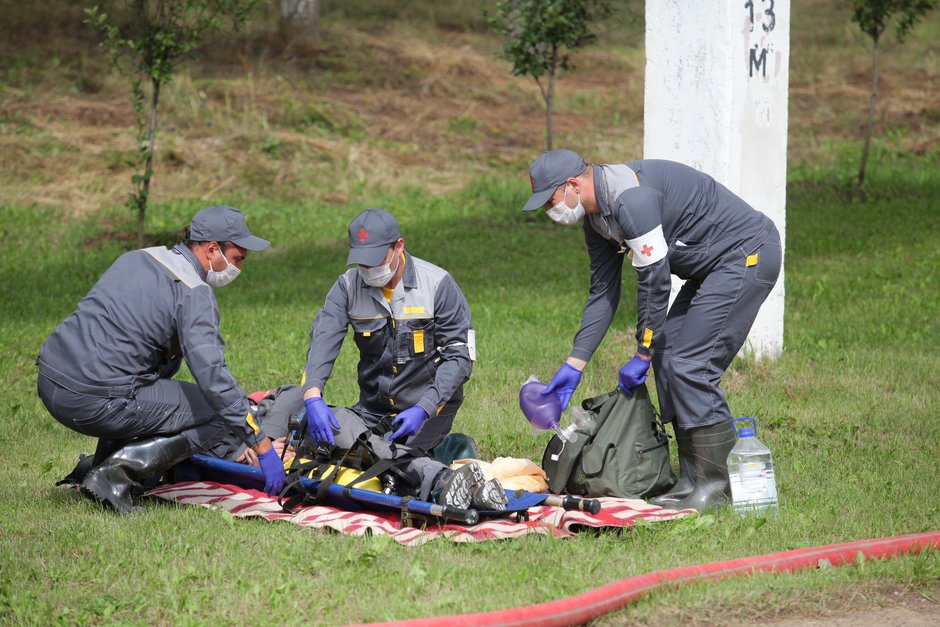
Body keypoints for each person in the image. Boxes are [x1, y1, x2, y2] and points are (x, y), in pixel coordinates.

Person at [521, 150, 782, 511]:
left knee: (691, 364)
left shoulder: (631, 201)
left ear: (573, 185)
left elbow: (655, 280)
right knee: (670, 355)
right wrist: (574, 365)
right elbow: (603, 294)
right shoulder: (598, 221)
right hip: (713, 266)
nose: (551, 212)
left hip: (746, 254)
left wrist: (642, 351)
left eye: (550, 200)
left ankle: (717, 487)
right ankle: (692, 478)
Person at [37, 205, 286, 513]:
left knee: (149, 379)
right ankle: (114, 477)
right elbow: (213, 378)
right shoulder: (193, 293)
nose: (239, 268)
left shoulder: (137, 257)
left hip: (50, 382)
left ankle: (98, 467)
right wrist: (260, 443)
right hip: (91, 400)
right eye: (237, 259)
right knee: (219, 412)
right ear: (212, 249)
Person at [301, 208, 505, 510]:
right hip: (372, 409)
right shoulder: (346, 286)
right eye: (361, 260)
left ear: (399, 246)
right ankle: (438, 468)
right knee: (314, 431)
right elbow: (323, 338)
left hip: (428, 409)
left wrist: (424, 408)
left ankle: (437, 463)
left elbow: (460, 359)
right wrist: (312, 395)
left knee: (386, 456)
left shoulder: (438, 285)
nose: (367, 268)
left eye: (375, 259)